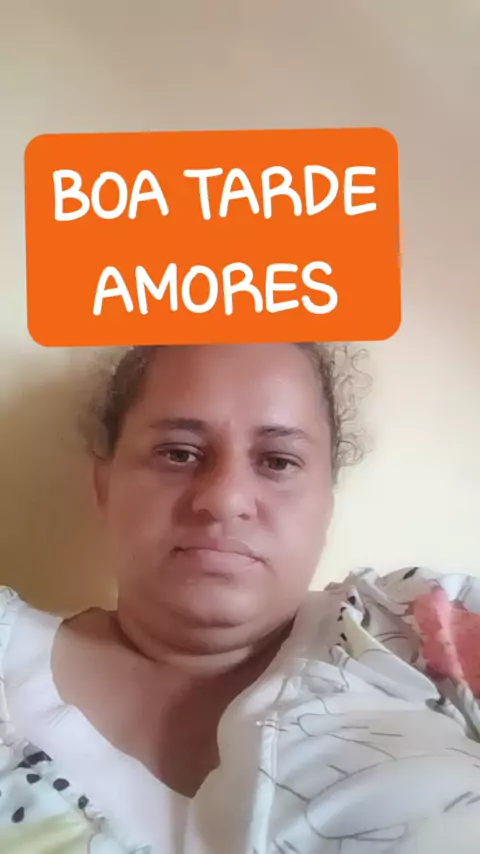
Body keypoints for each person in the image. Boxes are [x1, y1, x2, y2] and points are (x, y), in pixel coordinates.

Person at [0, 342, 480, 854]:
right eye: (178, 453)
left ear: (327, 501)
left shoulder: (421, 626)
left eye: (278, 462)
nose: (224, 500)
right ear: (105, 485)